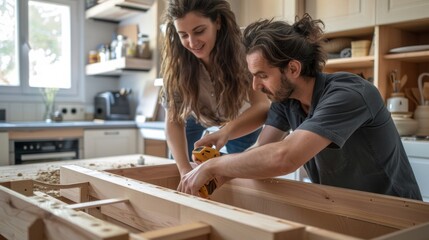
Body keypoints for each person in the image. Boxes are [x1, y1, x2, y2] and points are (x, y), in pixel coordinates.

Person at [177, 14, 423, 200]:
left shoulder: (349, 94)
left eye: (262, 75)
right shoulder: (287, 101)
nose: (255, 85)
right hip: (346, 207)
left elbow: (285, 157)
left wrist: (215, 165)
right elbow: (262, 151)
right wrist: (221, 172)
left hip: (396, 213)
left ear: (293, 69)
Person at [160, 0, 270, 178]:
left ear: (217, 22)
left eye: (199, 31)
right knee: (183, 166)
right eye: (183, 35)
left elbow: (262, 106)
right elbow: (173, 121)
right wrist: (184, 170)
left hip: (240, 116)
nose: (192, 42)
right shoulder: (177, 62)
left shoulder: (245, 49)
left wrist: (225, 132)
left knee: (242, 174)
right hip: (195, 114)